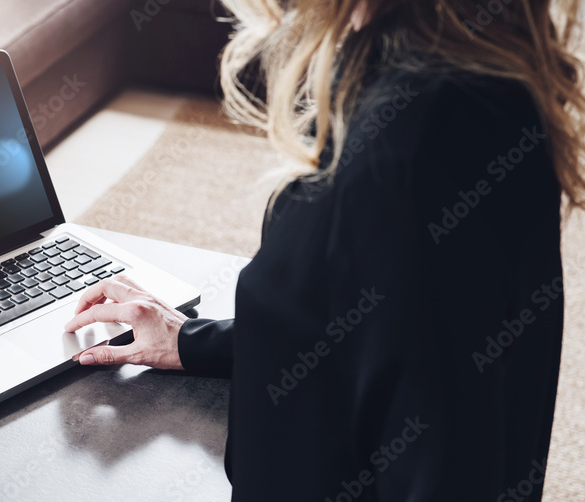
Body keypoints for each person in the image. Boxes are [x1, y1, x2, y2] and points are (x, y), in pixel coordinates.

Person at [64, 0, 585, 500]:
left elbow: (442, 461)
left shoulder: (402, 167)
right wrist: (194, 340)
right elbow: (374, 330)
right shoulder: (481, 88)